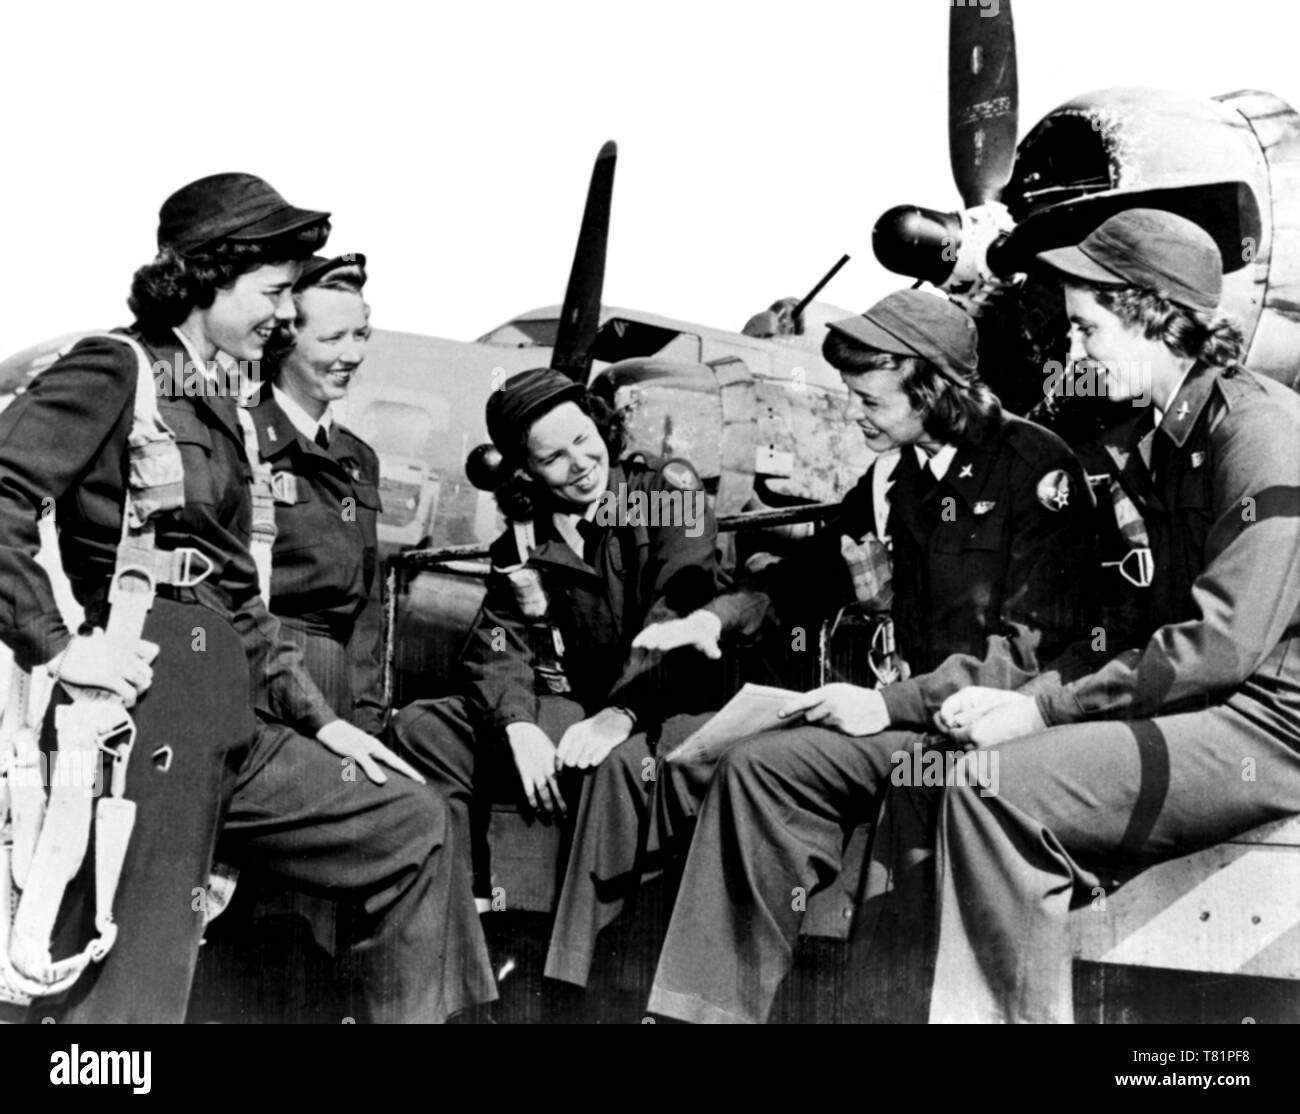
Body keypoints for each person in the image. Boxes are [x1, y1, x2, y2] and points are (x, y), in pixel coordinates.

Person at [0, 173, 493, 1022]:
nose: (281, 313)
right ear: (204, 277)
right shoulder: (118, 368)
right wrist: (58, 643)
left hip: (231, 709)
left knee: (411, 822)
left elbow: (234, 589)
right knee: (137, 971)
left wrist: (324, 720)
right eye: (271, 292)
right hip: (145, 706)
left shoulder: (217, 399)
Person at [636, 288, 1098, 1024]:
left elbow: (1027, 653)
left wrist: (884, 704)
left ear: (935, 391)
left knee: (908, 798)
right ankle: (704, 1011)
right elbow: (804, 581)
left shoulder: (1035, 470)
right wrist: (714, 619)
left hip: (993, 725)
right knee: (758, 767)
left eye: (871, 401)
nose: (857, 414)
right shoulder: (894, 478)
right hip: (909, 721)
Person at [885, 209, 1300, 1023]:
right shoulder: (1159, 437)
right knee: (944, 767)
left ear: (1152, 314)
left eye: (1089, 328)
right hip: (1215, 706)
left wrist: (1043, 707)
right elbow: (1134, 624)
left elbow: (1222, 643)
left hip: (1273, 724)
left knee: (990, 786)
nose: (1073, 353)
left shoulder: (1257, 434)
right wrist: (1021, 698)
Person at [389, 367, 724, 989]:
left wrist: (619, 716)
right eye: (552, 457)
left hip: (670, 701)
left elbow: (679, 610)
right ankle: (456, 931)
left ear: (600, 424)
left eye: (582, 439)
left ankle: (582, 979)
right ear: (526, 471)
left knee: (615, 760)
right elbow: (496, 642)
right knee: (423, 727)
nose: (579, 463)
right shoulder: (523, 536)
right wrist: (517, 723)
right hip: (583, 708)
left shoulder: (665, 492)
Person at [248, 252, 386, 734]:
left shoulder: (358, 459)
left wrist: (369, 717)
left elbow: (366, 613)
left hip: (339, 698)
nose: (353, 355)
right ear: (283, 339)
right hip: (263, 695)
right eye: (332, 338)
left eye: (360, 335)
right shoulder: (242, 440)